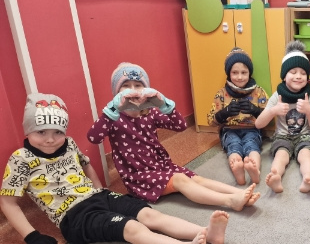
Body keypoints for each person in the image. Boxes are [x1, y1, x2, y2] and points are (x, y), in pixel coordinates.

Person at [0, 93, 229, 244]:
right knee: (132, 228)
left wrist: (100, 190)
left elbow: (86, 165)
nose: (50, 139)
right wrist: (30, 235)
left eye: (57, 132)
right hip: (75, 216)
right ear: (27, 130)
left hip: (99, 196)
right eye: (41, 132)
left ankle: (208, 234)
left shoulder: (68, 144)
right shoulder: (21, 159)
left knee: (150, 214)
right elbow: (7, 201)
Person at [87, 62, 260, 212]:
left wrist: (164, 104)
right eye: (126, 86)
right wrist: (112, 110)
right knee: (180, 180)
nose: (132, 90)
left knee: (196, 179)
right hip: (138, 176)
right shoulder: (113, 118)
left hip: (162, 166)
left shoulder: (149, 112)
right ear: (116, 91)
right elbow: (94, 137)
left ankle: (237, 193)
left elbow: (180, 125)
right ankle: (229, 201)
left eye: (138, 85)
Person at [255, 40, 310, 193]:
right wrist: (273, 111)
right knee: (281, 155)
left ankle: (307, 179)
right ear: (284, 76)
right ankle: (276, 177)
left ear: (307, 77)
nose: (298, 76)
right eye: (293, 72)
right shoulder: (278, 95)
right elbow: (258, 124)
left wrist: (309, 111)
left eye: (303, 73)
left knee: (305, 156)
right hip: (282, 136)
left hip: (305, 136)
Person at [207, 48, 269, 185]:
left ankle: (255, 170)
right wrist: (224, 113)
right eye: (235, 72)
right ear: (228, 73)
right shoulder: (222, 93)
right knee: (233, 145)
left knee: (252, 145)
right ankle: (238, 171)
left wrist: (256, 110)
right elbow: (211, 121)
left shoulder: (258, 92)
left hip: (252, 129)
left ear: (249, 73)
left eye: (244, 72)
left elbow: (270, 118)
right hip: (229, 130)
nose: (239, 77)